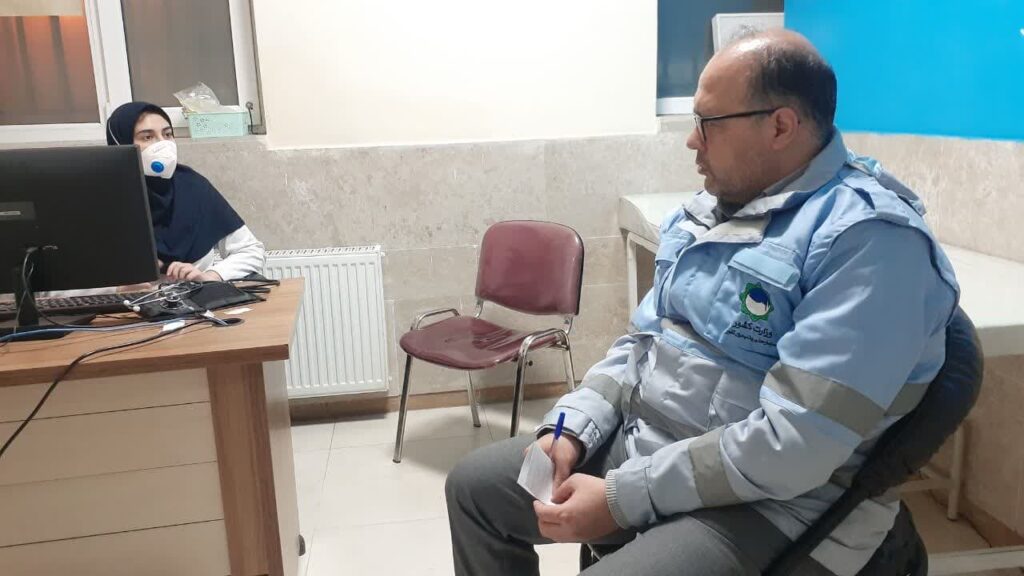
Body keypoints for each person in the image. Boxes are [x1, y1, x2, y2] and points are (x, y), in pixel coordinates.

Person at [444, 30, 958, 576]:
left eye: (708, 123)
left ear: (780, 126)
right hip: (653, 450)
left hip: (776, 502)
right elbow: (641, 345)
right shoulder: (710, 212)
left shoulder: (871, 243)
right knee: (475, 491)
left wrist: (621, 496)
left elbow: (794, 445)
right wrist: (570, 427)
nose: (692, 141)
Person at [105, 102, 265, 282]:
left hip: (195, 297)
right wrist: (118, 289)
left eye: (167, 134)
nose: (163, 144)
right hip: (127, 300)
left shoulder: (192, 186)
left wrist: (209, 276)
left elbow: (251, 251)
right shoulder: (105, 200)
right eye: (147, 137)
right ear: (121, 145)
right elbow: (78, 276)